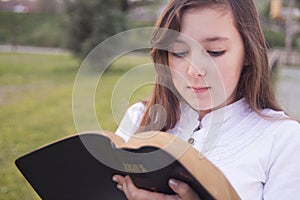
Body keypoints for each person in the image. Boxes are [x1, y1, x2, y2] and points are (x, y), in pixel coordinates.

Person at [112, 0, 300, 199]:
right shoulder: (139, 117)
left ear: (248, 53)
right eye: (179, 52)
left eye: (214, 52)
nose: (194, 71)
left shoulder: (284, 140)